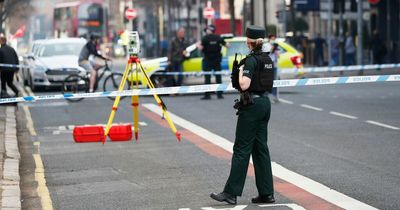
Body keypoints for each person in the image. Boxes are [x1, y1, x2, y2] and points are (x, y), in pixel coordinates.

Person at [210, 25, 275, 205]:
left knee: (241, 148)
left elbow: (244, 85)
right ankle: (266, 193)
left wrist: (239, 73)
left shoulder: (250, 61)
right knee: (260, 148)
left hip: (252, 106)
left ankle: (231, 192)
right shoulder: (267, 59)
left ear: (249, 42)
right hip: (264, 103)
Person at [197, 25, 228, 100]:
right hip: (217, 60)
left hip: (208, 60)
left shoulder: (205, 38)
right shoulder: (218, 37)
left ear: (209, 30)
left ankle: (207, 95)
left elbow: (201, 48)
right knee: (218, 77)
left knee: (207, 78)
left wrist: (198, 45)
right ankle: (219, 95)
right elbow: (227, 45)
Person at [265, 34, 279, 102]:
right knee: (268, 79)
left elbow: (278, 56)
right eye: (272, 39)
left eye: (274, 39)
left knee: (275, 80)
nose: (273, 40)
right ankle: (267, 95)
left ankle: (274, 95)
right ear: (269, 39)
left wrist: (276, 50)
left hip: (274, 63)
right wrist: (272, 48)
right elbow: (267, 53)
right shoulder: (266, 45)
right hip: (268, 63)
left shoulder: (276, 46)